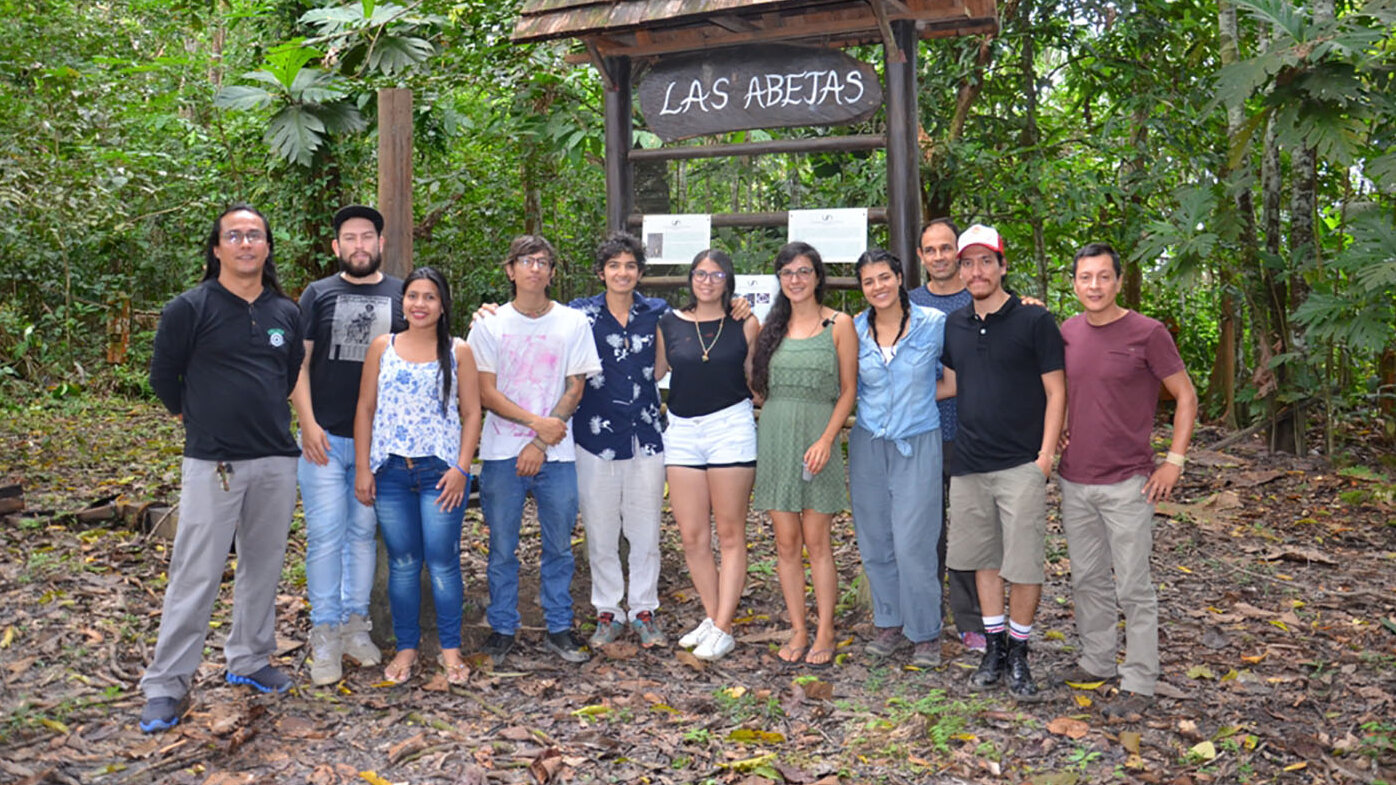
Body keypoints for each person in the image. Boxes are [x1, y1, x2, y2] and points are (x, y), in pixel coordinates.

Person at [139, 205, 304, 732]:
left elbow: (289, 372)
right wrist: (193, 413)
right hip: (215, 462)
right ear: (217, 249)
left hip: (276, 458)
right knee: (196, 571)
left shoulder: (286, 311)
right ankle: (166, 685)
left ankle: (251, 658)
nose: (245, 243)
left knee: (264, 565)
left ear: (267, 246)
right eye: (234, 235)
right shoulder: (190, 308)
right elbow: (165, 375)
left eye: (255, 235)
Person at [1057, 242, 1197, 719]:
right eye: (1084, 277)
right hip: (1075, 480)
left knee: (1133, 586)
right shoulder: (1068, 333)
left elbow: (1185, 396)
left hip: (1129, 482)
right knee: (1087, 579)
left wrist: (1173, 461)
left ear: (1118, 281)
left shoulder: (1147, 333)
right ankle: (1096, 661)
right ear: (1073, 283)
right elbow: (1062, 394)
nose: (1093, 286)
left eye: (1102, 277)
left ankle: (1139, 678)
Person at [940, 224, 1065, 701]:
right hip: (970, 462)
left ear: (1002, 265)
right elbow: (951, 383)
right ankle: (994, 648)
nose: (977, 271)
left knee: (1025, 563)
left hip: (1021, 464)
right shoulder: (956, 323)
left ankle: (1019, 651)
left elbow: (1057, 391)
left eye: (985, 261)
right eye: (968, 263)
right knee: (982, 559)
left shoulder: (1035, 321)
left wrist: (1045, 456)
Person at [467, 235, 602, 666]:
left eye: (544, 262)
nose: (535, 269)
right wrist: (534, 426)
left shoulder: (572, 323)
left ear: (552, 272)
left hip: (557, 455)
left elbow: (575, 385)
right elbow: (485, 391)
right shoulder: (488, 325)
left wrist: (542, 440)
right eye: (526, 261)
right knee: (502, 546)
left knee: (559, 546)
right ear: (510, 270)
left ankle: (559, 627)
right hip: (502, 451)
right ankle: (502, 627)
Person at [292, 205, 404, 686]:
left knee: (362, 535)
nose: (359, 245)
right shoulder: (318, 293)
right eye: (349, 238)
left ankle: (356, 626)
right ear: (336, 247)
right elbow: (297, 364)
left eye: (367, 237)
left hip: (379, 445)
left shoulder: (403, 294)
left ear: (381, 243)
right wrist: (308, 423)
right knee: (325, 536)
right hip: (324, 438)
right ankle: (325, 634)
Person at [353, 267, 482, 685]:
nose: (420, 304)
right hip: (390, 471)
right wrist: (363, 468)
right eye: (413, 296)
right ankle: (406, 649)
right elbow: (365, 409)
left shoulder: (457, 350)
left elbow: (472, 412)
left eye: (429, 297)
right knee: (404, 563)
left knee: (443, 562)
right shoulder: (382, 346)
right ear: (402, 302)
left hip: (440, 472)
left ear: (442, 305)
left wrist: (463, 468)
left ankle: (451, 651)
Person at [751, 242, 857, 669]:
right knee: (786, 542)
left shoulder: (839, 324)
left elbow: (848, 389)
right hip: (776, 436)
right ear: (779, 279)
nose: (796, 279)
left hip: (820, 440)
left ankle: (826, 628)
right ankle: (798, 627)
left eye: (804, 271)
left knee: (818, 543)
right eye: (788, 272)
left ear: (818, 276)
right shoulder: (769, 329)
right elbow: (758, 388)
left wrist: (828, 439)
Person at [654, 249, 761, 661]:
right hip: (681, 430)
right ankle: (714, 618)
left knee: (730, 534)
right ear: (690, 278)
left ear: (728, 280)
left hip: (730, 427)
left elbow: (757, 376)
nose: (707, 281)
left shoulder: (744, 322)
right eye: (700, 273)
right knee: (693, 535)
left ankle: (722, 625)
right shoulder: (669, 323)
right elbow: (657, 370)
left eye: (717, 275)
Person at [849, 249, 950, 668]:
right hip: (868, 443)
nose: (878, 287)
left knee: (915, 541)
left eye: (885, 278)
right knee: (875, 539)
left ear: (900, 278)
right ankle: (889, 622)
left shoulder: (933, 324)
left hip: (918, 441)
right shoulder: (853, 329)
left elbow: (956, 379)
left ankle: (925, 632)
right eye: (869, 281)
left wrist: (914, 403)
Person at [568, 233, 668, 648]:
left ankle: (644, 609)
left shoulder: (657, 313)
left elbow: (663, 368)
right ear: (601, 272)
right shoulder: (579, 315)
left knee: (646, 531)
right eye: (614, 266)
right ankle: (608, 611)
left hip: (645, 434)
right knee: (601, 529)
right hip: (594, 435)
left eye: (630, 266)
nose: (622, 273)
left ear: (640, 273)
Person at [907, 218, 986, 654]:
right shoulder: (909, 302)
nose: (939, 256)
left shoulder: (977, 297)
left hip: (972, 431)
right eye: (930, 250)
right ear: (921, 256)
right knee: (926, 530)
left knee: (970, 531)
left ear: (957, 252)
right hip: (921, 433)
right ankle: (926, 615)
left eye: (945, 248)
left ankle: (971, 619)